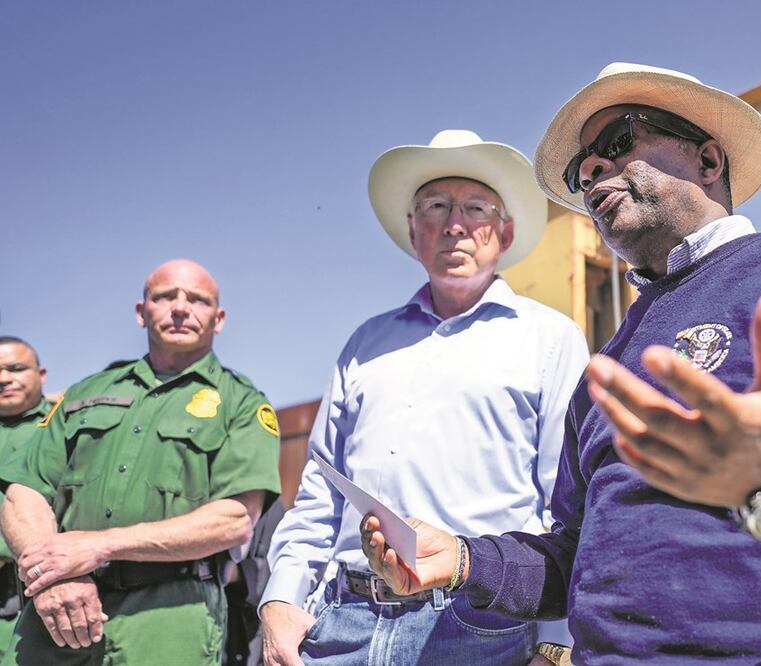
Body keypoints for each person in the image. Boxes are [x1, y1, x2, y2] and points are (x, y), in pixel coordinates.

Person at [361, 63, 761, 665]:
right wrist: (464, 560)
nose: (594, 169)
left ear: (709, 161)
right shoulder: (608, 363)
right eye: (582, 168)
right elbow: (576, 556)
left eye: (617, 141)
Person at [260, 130, 589, 666]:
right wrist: (281, 599)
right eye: (435, 207)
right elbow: (320, 490)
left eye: (475, 208)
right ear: (414, 231)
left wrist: (556, 645)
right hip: (343, 624)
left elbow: (570, 508)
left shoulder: (551, 340)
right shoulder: (365, 344)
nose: (455, 224)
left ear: (504, 233)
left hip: (482, 629)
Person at [0, 259, 280, 665]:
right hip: (57, 608)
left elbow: (234, 519)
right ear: (141, 311)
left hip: (169, 618)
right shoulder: (85, 392)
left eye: (197, 300)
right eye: (164, 296)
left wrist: (99, 546)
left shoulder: (241, 403)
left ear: (218, 319)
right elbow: (24, 491)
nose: (180, 308)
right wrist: (53, 579)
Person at [0, 337, 51, 658]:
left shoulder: (63, 427)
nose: (4, 379)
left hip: (39, 593)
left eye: (16, 368)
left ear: (41, 374)